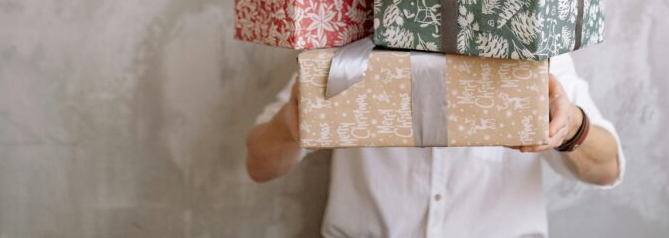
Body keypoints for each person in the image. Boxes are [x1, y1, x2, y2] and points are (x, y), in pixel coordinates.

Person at [246, 53, 623, 238]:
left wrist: (572, 126)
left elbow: (608, 168)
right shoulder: (351, 41)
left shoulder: (532, 42)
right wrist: (298, 119)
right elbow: (258, 163)